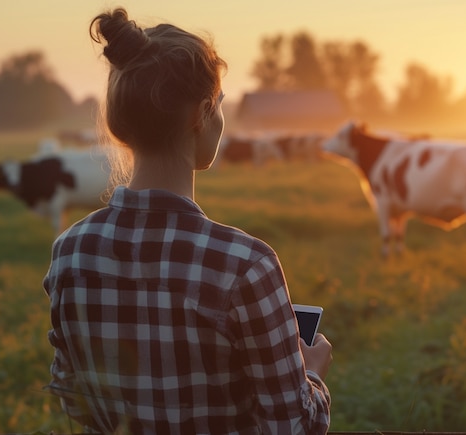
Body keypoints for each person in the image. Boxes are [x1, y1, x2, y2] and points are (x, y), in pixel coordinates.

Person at [43, 7, 332, 434]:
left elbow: (75, 399)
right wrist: (311, 376)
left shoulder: (69, 253)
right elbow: (293, 427)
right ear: (200, 113)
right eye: (218, 105)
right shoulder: (247, 265)